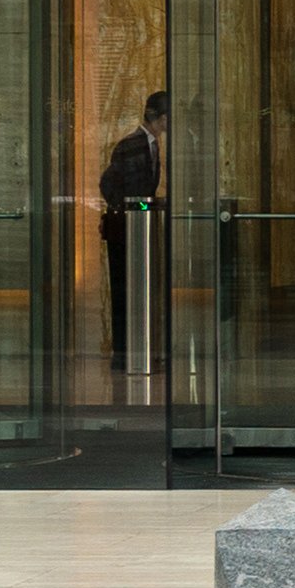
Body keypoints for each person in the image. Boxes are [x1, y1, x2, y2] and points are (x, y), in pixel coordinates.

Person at [98, 89, 170, 386]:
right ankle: (125, 351)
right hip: (128, 230)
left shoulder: (149, 144)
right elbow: (109, 182)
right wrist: (129, 208)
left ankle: (138, 349)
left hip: (139, 226)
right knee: (125, 289)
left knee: (138, 287)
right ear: (160, 118)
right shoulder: (133, 144)